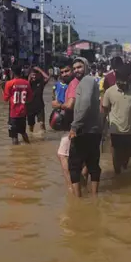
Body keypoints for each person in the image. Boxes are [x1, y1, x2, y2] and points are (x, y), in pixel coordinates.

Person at [102, 64, 131, 174]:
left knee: (128, 154)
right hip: (115, 129)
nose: (120, 84)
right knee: (116, 154)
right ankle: (117, 174)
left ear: (128, 78)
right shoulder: (109, 92)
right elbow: (104, 110)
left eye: (123, 81)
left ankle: (123, 169)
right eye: (118, 81)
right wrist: (102, 127)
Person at [68, 57, 103, 197]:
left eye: (79, 67)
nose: (77, 70)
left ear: (86, 67)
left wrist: (74, 126)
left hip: (84, 130)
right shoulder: (89, 81)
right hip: (93, 130)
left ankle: (78, 199)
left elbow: (86, 103)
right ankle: (94, 198)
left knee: (74, 166)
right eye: (75, 68)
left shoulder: (87, 80)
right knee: (92, 163)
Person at [51, 61, 75, 191]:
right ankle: (77, 182)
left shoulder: (75, 85)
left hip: (74, 124)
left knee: (62, 155)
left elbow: (68, 105)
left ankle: (71, 186)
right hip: (67, 124)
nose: (64, 74)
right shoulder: (57, 86)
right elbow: (56, 101)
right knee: (73, 155)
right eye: (62, 72)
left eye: (67, 71)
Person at [2, 65, 33, 145]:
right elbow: (29, 99)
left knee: (14, 136)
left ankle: (16, 154)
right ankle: (29, 147)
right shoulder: (27, 83)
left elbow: (5, 99)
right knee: (23, 132)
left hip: (13, 115)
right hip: (23, 113)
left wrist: (3, 89)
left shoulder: (9, 83)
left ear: (12, 72)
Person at [27, 66, 51, 133]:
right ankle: (31, 137)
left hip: (39, 107)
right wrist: (29, 79)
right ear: (29, 75)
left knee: (42, 124)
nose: (34, 77)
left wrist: (39, 70)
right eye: (32, 75)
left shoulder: (41, 82)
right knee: (31, 126)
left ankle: (44, 138)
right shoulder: (26, 84)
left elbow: (47, 77)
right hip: (29, 107)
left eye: (35, 75)